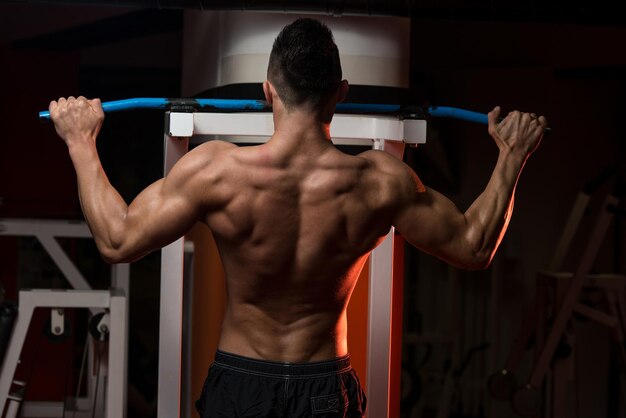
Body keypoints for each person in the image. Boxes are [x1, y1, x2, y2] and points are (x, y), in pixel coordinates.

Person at [48, 17, 547, 418]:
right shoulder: (379, 182)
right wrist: (512, 156)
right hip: (324, 386)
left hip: (241, 384)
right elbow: (474, 246)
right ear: (342, 92)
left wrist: (80, 143)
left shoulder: (218, 172)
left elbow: (116, 240)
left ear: (268, 91)